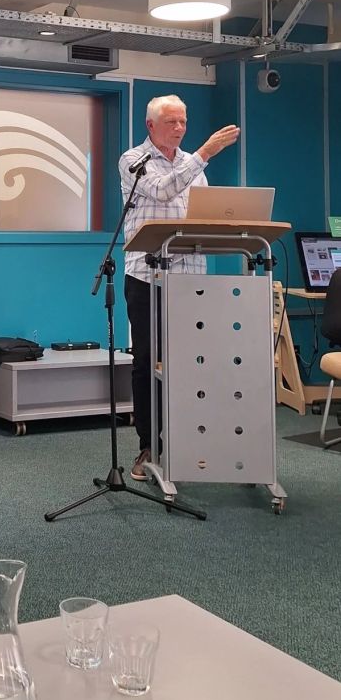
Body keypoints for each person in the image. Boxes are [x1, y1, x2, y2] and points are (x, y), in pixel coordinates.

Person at [119, 94, 240, 481]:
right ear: (150, 125)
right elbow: (163, 191)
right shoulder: (133, 161)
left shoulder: (193, 165)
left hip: (190, 276)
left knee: (190, 363)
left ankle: (188, 442)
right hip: (146, 276)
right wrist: (203, 152)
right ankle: (147, 446)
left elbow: (201, 213)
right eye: (172, 122)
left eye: (184, 122)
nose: (180, 129)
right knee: (146, 363)